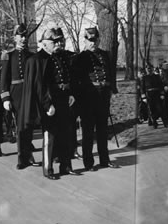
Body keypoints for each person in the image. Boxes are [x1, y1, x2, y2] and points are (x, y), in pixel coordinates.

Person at [73, 26, 119, 171]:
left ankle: (105, 160)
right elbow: (76, 81)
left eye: (95, 40)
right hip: (88, 97)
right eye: (90, 40)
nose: (93, 43)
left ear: (99, 40)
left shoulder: (106, 55)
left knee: (102, 130)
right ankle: (89, 162)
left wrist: (111, 88)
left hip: (103, 95)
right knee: (88, 131)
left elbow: (111, 73)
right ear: (85, 41)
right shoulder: (80, 58)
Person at [38, 27, 78, 178]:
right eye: (54, 41)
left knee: (66, 133)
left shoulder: (61, 57)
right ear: (46, 43)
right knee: (50, 135)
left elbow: (67, 78)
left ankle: (66, 166)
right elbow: (41, 85)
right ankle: (48, 169)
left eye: (59, 41)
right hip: (51, 99)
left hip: (64, 98)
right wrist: (47, 104)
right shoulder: (42, 59)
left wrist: (71, 93)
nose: (57, 44)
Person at [0, 23, 39, 169]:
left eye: (25, 36)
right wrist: (5, 98)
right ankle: (22, 159)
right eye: (20, 36)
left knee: (29, 126)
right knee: (20, 127)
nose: (23, 39)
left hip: (29, 93)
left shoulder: (31, 56)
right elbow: (4, 79)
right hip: (16, 94)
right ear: (15, 37)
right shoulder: (8, 56)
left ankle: (29, 155)